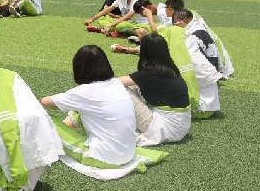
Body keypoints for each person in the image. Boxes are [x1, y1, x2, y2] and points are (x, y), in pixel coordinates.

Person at [40, 45, 168, 180]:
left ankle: (48, 143)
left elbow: (45, 102)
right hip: (128, 152)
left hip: (103, 157)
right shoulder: (117, 84)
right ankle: (65, 129)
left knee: (46, 119)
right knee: (82, 110)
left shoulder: (84, 91)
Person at [116, 34, 191, 146]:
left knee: (121, 89)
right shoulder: (169, 68)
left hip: (166, 128)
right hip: (180, 125)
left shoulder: (151, 72)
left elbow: (114, 83)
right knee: (133, 86)